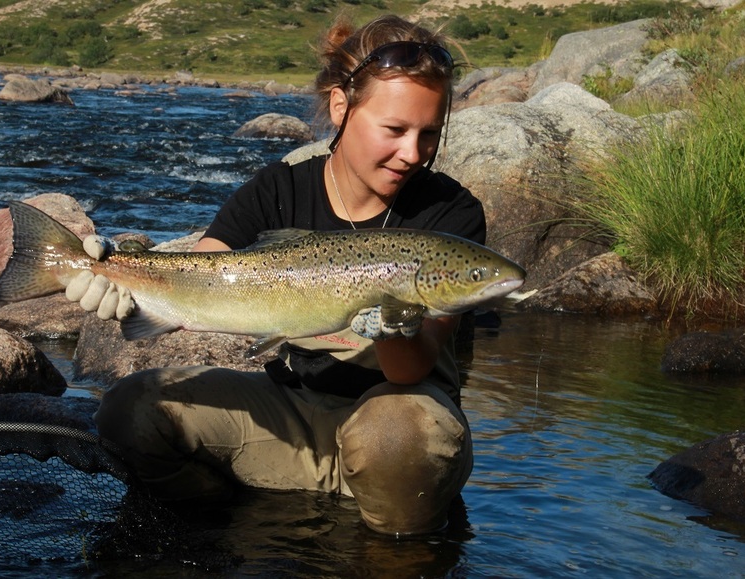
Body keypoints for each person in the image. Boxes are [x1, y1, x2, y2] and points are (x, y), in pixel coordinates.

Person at [73, 14, 487, 535]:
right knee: (128, 409)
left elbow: (409, 372)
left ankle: (395, 549)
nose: (413, 153)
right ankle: (226, 528)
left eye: (429, 134)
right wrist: (116, 272)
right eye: (395, 130)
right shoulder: (277, 189)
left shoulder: (451, 215)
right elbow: (200, 275)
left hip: (399, 419)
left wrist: (393, 323)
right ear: (342, 106)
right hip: (286, 416)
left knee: (398, 436)